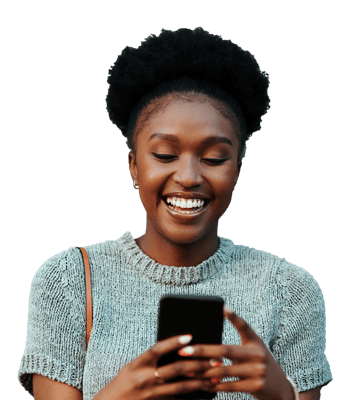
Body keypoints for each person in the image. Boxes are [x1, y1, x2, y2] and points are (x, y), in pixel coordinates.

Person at [17, 27, 333, 400]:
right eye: (165, 155)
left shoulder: (291, 291)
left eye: (214, 158)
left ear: (237, 170)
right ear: (134, 166)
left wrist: (283, 395)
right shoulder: (68, 282)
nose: (188, 177)